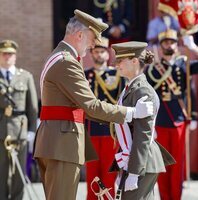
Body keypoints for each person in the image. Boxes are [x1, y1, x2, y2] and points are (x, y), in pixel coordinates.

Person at [33, 9, 154, 200]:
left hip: (56, 140)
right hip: (62, 144)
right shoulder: (67, 62)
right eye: (92, 40)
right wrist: (131, 112)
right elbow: (91, 106)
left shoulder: (59, 56)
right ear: (79, 34)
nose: (92, 46)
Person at [109, 41, 175, 200]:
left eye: (120, 60)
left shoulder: (142, 90)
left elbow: (143, 133)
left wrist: (134, 171)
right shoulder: (131, 87)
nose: (117, 65)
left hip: (141, 162)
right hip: (136, 159)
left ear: (134, 61)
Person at [145, 29, 198, 200]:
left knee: (177, 164)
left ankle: (176, 197)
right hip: (159, 121)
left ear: (177, 45)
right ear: (161, 46)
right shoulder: (152, 69)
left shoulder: (184, 64)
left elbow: (190, 91)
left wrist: (194, 48)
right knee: (161, 163)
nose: (169, 45)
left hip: (178, 120)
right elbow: (147, 97)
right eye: (166, 42)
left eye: (172, 42)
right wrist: (149, 123)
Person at [85, 37, 125, 199]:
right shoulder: (84, 75)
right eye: (96, 52)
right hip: (90, 130)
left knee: (109, 175)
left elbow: (122, 101)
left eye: (102, 52)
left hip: (111, 131)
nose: (99, 55)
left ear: (108, 54)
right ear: (91, 54)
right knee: (92, 176)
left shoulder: (116, 74)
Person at [0, 40, 38, 200]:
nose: (7, 57)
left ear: (15, 56)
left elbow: (33, 107)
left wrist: (31, 131)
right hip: (0, 132)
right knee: (1, 173)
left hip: (20, 132)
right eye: (4, 53)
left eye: (10, 54)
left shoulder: (26, 76)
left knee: (19, 173)